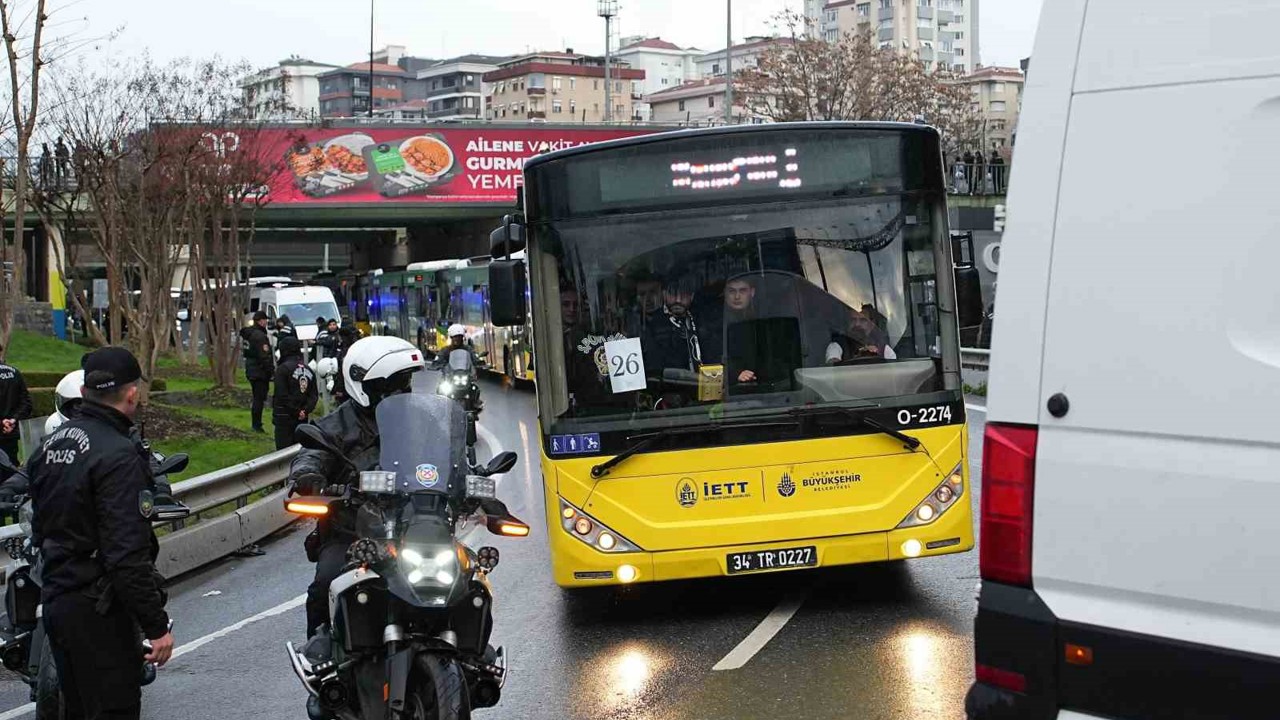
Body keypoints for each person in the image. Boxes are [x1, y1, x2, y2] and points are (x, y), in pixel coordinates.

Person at [28, 347, 174, 720]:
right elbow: (126, 555)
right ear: (131, 393)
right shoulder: (119, 455)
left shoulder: (50, 445)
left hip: (57, 601)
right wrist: (156, 626)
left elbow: (40, 524)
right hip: (99, 613)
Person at [288, 337, 424, 642]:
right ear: (364, 385)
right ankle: (321, 660)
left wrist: (469, 477)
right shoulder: (334, 426)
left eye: (405, 382)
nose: (401, 392)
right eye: (391, 384)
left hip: (418, 527)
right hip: (351, 531)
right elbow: (310, 455)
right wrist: (310, 478)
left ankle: (473, 661)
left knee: (468, 578)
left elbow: (451, 455)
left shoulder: (421, 419)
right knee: (325, 583)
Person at [640, 278, 702, 375]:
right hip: (669, 385)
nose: (678, 300)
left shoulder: (701, 320)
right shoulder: (653, 325)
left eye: (684, 295)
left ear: (692, 296)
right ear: (664, 294)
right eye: (673, 294)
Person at [272, 336, 318, 450]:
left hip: (284, 417)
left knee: (284, 452)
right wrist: (305, 410)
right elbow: (313, 395)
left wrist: (296, 411)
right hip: (302, 418)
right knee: (300, 450)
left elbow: (282, 395)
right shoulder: (309, 370)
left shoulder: (282, 369)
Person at [825, 305, 898, 363]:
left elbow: (894, 374)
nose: (857, 324)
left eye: (863, 320)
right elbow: (833, 370)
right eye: (853, 320)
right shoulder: (837, 345)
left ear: (871, 325)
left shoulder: (884, 349)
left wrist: (876, 357)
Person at [0, 349, 33, 477]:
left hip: (5, 430)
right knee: (10, 469)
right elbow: (27, 403)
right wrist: (13, 420)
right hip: (11, 433)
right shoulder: (15, 372)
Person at [240, 311, 273, 433]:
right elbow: (264, 356)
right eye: (265, 320)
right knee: (259, 398)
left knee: (257, 397)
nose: (266, 322)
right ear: (260, 321)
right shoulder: (259, 336)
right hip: (259, 371)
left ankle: (256, 423)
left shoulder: (249, 334)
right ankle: (257, 425)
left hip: (251, 369)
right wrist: (271, 371)